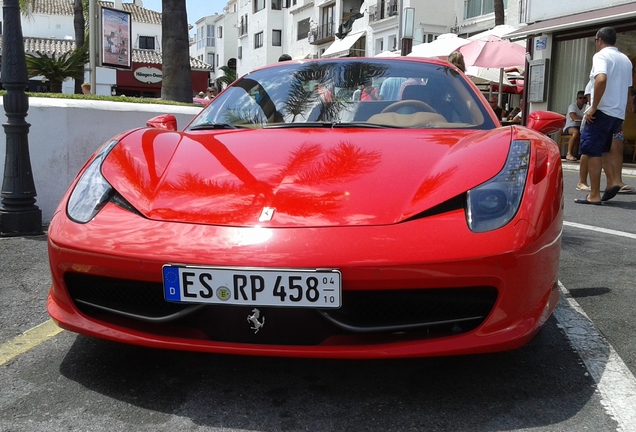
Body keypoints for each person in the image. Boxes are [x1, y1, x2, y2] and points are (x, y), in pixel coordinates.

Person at [575, 27, 633, 205]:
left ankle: (594, 194)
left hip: (602, 111)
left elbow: (601, 79)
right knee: (605, 149)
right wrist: (622, 114)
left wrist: (593, 107)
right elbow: (629, 91)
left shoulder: (601, 56)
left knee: (592, 152)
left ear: (599, 40)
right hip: (616, 113)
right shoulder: (625, 60)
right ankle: (613, 180)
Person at [563, 90, 588, 161]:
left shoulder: (586, 107)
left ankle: (582, 155)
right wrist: (584, 118)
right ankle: (569, 153)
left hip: (581, 127)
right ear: (576, 99)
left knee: (588, 133)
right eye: (580, 98)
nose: (582, 100)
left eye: (584, 98)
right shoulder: (572, 106)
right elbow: (573, 117)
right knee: (576, 132)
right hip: (569, 127)